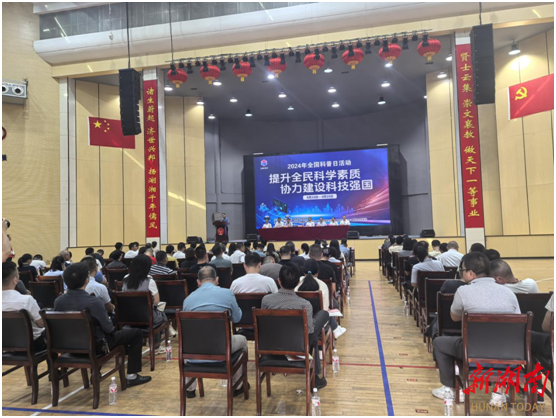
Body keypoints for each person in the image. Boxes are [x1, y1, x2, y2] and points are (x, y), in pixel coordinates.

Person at [432, 252, 520, 406]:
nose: (461, 273)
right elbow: (518, 321)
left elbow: (454, 317)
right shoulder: (509, 292)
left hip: (472, 351)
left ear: (471, 273)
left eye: (462, 270)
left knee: (439, 343)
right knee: (502, 344)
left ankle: (452, 389)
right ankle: (498, 393)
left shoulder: (463, 291)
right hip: (508, 353)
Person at [55, 263, 151, 387]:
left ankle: (97, 372)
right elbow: (109, 329)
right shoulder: (94, 302)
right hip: (97, 347)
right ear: (87, 280)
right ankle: (132, 376)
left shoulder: (58, 301)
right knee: (136, 333)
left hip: (69, 346)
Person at [182, 266, 248, 398]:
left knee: (191, 340)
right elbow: (237, 318)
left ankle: (189, 389)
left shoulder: (187, 300)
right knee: (242, 340)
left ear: (198, 282)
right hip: (222, 348)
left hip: (194, 352)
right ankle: (238, 385)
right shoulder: (227, 294)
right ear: (217, 280)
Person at [262, 263, 330, 389]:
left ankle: (315, 377)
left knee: (312, 334)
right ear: (297, 283)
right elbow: (309, 331)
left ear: (279, 281)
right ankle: (315, 378)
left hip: (272, 344)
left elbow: (265, 326)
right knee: (321, 318)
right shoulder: (305, 304)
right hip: (298, 345)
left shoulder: (266, 300)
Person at [296, 260, 346, 339]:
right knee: (325, 313)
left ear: (303, 271)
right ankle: (336, 328)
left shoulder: (296, 283)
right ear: (318, 272)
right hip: (317, 324)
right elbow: (324, 309)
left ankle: (336, 328)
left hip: (298, 322)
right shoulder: (322, 285)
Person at [3, 261, 47, 351]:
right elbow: (41, 324)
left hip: (4, 344)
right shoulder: (26, 300)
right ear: (15, 280)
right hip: (32, 345)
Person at [122, 255, 169, 332]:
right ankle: (162, 335)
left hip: (128, 316)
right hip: (147, 317)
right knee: (161, 311)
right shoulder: (150, 281)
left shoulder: (125, 279)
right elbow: (156, 301)